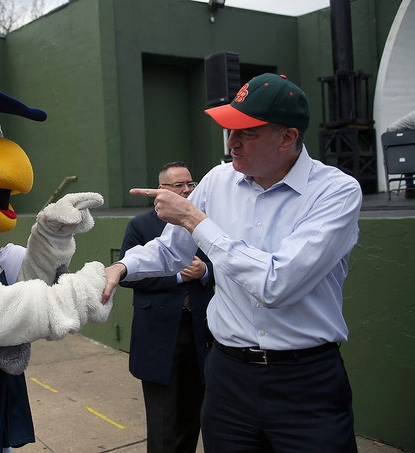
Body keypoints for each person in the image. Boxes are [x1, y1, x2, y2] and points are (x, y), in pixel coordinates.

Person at [102, 73, 363, 452]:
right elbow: (171, 250)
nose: (231, 143)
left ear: (288, 137)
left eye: (247, 133)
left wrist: (195, 220)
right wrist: (121, 267)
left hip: (304, 382)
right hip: (228, 376)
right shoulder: (218, 180)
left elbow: (276, 284)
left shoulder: (336, 192)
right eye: (229, 129)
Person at [119, 161, 214, 453]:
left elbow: (230, 262)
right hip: (160, 337)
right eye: (179, 185)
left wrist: (205, 272)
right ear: (161, 190)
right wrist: (175, 275)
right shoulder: (141, 225)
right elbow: (129, 276)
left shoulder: (207, 222)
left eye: (190, 184)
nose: (187, 190)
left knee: (193, 418)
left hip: (202, 334)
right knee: (163, 426)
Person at [387, 110, 415, 198]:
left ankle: (410, 188)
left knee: (408, 156)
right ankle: (410, 188)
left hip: (404, 152)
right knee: (408, 156)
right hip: (404, 150)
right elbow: (390, 129)